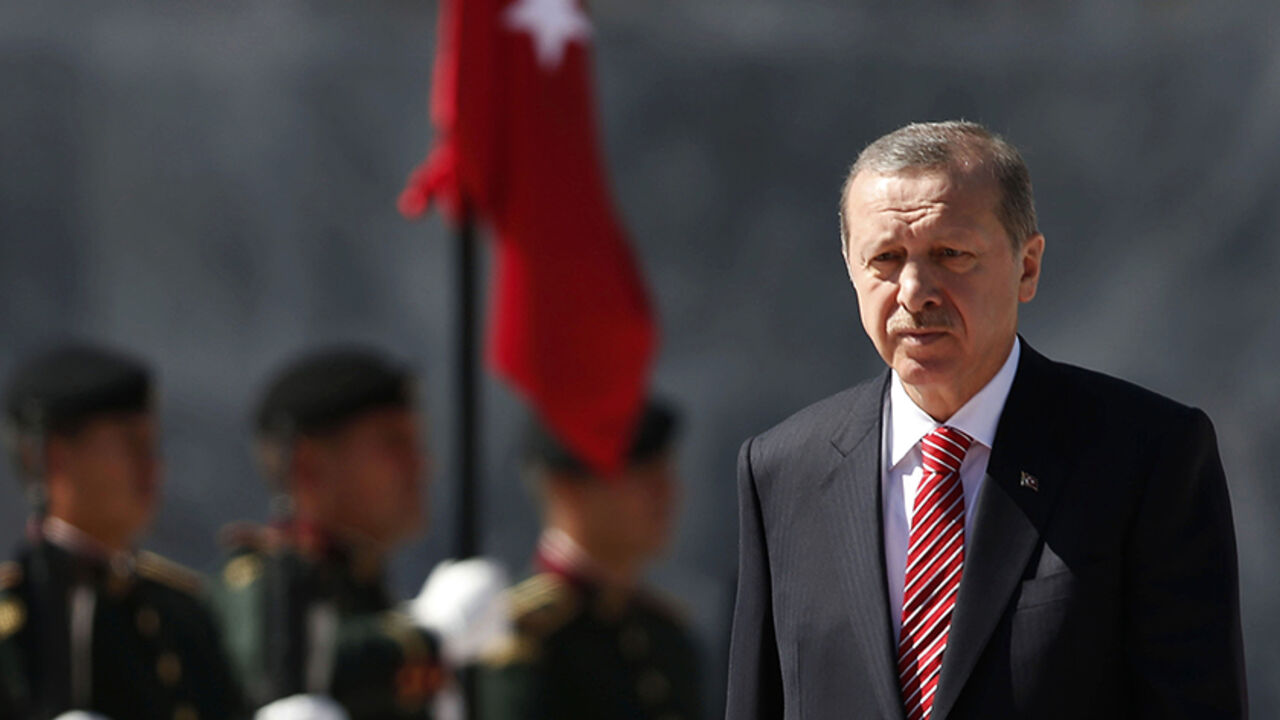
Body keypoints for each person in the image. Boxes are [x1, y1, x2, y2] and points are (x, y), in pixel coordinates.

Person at [725, 121, 1246, 719]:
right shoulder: (784, 472)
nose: (915, 292)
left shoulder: (1145, 457)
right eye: (886, 259)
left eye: (951, 255)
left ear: (1027, 267)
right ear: (851, 268)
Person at [214, 346, 507, 720]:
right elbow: (281, 673)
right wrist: (430, 637)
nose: (422, 465)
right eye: (394, 444)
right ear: (309, 467)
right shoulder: (264, 581)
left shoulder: (365, 590)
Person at [0, 343, 242, 720]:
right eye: (132, 445)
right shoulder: (16, 612)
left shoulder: (182, 612)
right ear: (56, 457)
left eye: (153, 446)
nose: (152, 467)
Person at [478, 401, 701, 720]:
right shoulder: (522, 638)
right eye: (640, 472)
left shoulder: (666, 636)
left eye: (665, 470)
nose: (666, 492)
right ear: (567, 487)